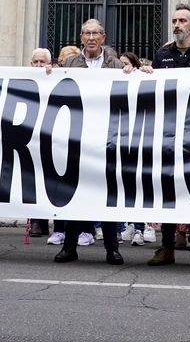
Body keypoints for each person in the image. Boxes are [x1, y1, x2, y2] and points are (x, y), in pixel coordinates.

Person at [142, 2, 190, 269]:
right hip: (168, 133)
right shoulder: (163, 54)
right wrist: (146, 74)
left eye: (182, 21)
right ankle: (166, 247)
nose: (177, 25)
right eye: (174, 21)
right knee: (169, 188)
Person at [55, 18, 128, 266]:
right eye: (86, 33)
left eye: (96, 33)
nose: (91, 38)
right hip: (78, 137)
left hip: (107, 138)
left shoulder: (116, 64)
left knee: (106, 194)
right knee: (76, 193)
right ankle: (69, 247)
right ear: (81, 37)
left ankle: (112, 248)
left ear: (104, 37)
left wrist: (137, 73)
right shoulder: (69, 63)